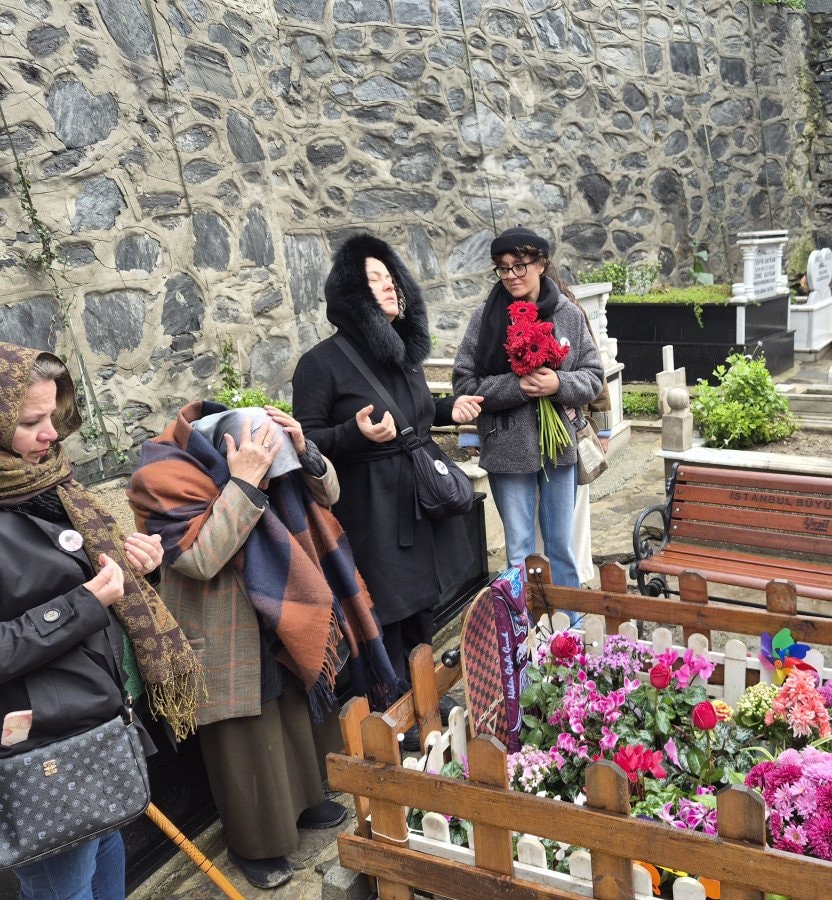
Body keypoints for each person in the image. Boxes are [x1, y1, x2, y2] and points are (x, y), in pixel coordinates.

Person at [128, 403, 398, 890]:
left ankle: (307, 801)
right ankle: (256, 843)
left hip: (284, 602)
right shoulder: (160, 477)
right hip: (223, 625)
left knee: (294, 712)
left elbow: (327, 496)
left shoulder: (260, 450)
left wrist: (305, 451)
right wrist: (245, 482)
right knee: (246, 740)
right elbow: (200, 559)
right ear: (226, 448)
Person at [0, 342, 201, 900]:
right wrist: (85, 601)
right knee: (64, 888)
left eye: (53, 416)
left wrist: (135, 570)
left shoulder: (47, 486)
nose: (51, 435)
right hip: (40, 749)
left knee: (107, 851)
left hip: (96, 724)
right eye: (29, 422)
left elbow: (79, 587)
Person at [292, 233, 482, 733]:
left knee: (422, 607)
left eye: (390, 277)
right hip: (372, 511)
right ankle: (395, 712)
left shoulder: (400, 353)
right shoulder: (319, 364)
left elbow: (413, 413)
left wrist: (448, 409)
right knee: (389, 613)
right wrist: (353, 434)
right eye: (374, 280)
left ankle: (423, 698)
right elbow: (304, 443)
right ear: (353, 296)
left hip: (418, 500)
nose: (389, 286)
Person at [452, 226, 604, 588]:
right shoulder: (485, 318)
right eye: (503, 268)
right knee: (518, 549)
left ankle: (570, 620)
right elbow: (465, 384)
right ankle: (520, 621)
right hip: (506, 446)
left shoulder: (567, 314)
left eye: (519, 265)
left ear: (541, 264)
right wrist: (516, 386)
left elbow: (594, 377)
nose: (511, 275)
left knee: (561, 546)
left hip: (559, 446)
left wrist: (559, 384)